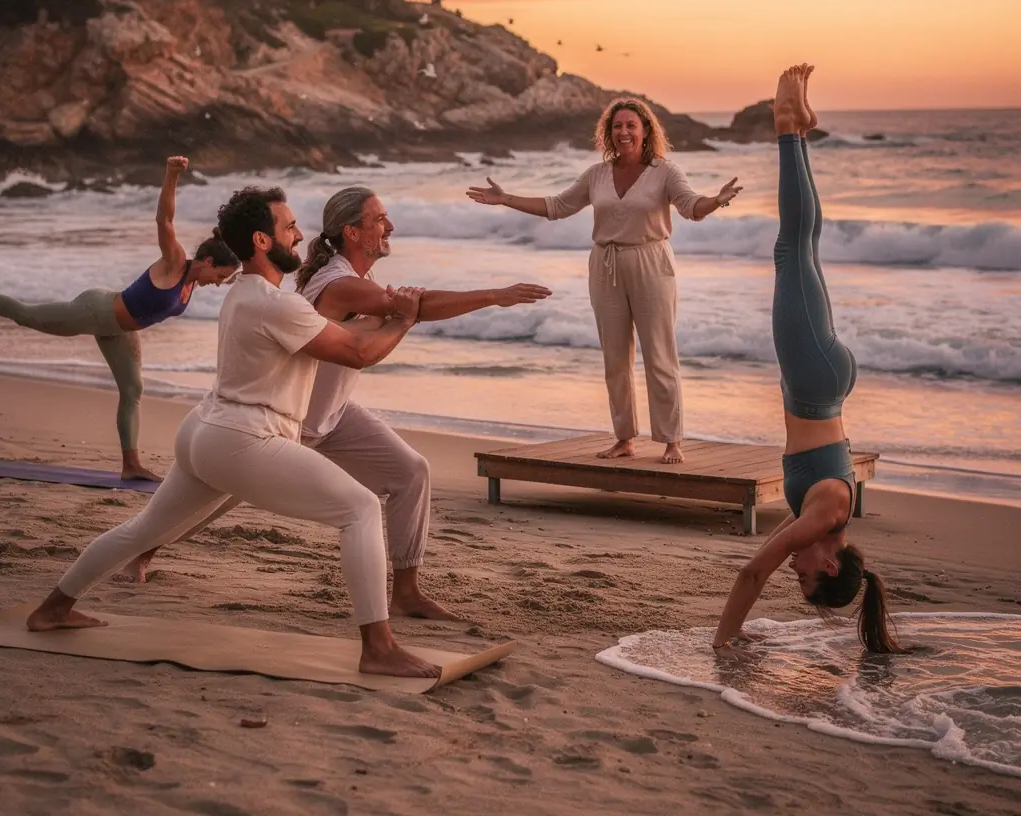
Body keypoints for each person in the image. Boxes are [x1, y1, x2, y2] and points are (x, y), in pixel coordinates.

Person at [26, 185, 443, 679]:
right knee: (361, 508)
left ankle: (54, 608)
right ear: (264, 241)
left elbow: (345, 339)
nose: (300, 234)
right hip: (244, 438)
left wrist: (387, 320)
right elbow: (357, 354)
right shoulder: (277, 305)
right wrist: (406, 318)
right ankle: (378, 647)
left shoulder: (248, 294)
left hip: (206, 429)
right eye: (289, 227)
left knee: (145, 530)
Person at [121, 187, 553, 615]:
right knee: (208, 499)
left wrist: (403, 310)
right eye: (378, 219)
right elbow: (417, 307)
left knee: (411, 472)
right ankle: (143, 549)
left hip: (331, 416)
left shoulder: (354, 279)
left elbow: (398, 311)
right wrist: (494, 295)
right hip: (286, 423)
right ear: (351, 232)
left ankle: (406, 592)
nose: (390, 226)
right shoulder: (339, 285)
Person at [712, 65, 901, 656]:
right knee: (792, 244)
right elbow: (754, 571)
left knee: (802, 245)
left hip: (826, 380)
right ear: (831, 561)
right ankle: (788, 127)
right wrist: (725, 637)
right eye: (806, 573)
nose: (795, 566)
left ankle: (799, 127)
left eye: (797, 575)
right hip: (813, 378)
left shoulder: (833, 516)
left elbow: (769, 566)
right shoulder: (826, 517)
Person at [466, 99, 742, 464]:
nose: (624, 132)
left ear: (646, 131)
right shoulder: (597, 174)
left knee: (659, 355)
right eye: (617, 127)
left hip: (651, 262)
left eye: (631, 125)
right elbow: (557, 206)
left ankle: (671, 439)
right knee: (615, 358)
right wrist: (506, 200)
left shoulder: (665, 171)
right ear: (608, 133)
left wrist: (717, 201)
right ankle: (624, 438)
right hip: (605, 264)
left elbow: (690, 207)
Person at [0, 156, 238, 479]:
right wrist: (170, 175)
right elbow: (164, 220)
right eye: (220, 275)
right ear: (207, 260)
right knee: (27, 316)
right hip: (96, 311)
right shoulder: (175, 263)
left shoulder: (193, 282)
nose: (219, 283)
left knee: (132, 389)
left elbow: (244, 270)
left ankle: (131, 466)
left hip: (120, 330)